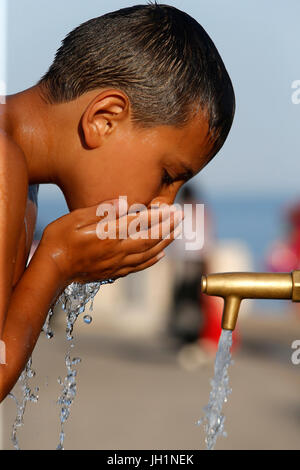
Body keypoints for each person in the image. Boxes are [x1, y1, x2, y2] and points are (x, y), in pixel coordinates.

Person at [0, 2, 235, 401]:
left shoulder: (21, 177)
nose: (163, 207)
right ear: (104, 119)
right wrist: (55, 263)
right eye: (166, 177)